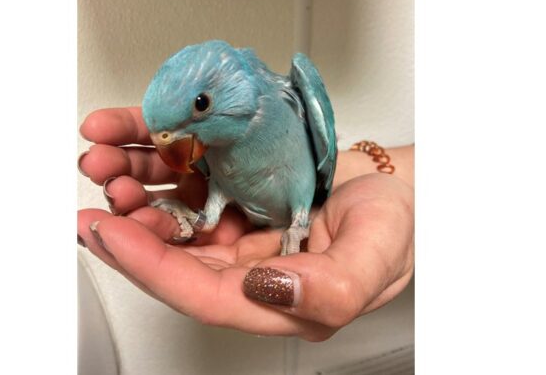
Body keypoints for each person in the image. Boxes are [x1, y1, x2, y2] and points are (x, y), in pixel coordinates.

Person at [77, 107, 414, 342]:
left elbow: (312, 163)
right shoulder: (207, 145)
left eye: (200, 104)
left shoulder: (286, 97)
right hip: (228, 203)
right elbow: (215, 196)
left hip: (298, 205)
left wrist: (328, 193)